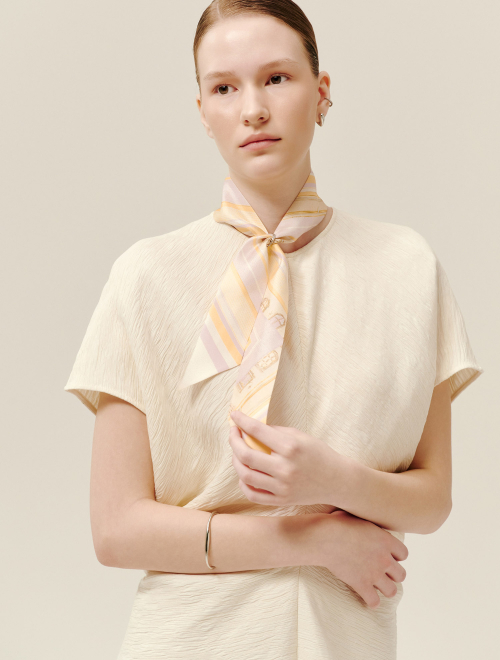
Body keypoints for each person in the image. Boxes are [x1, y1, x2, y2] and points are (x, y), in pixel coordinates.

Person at [63, 1, 484, 658]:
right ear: (202, 111)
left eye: (277, 78)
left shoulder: (407, 267)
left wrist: (335, 480)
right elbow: (116, 530)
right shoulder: (144, 277)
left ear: (322, 93)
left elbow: (433, 500)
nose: (253, 109)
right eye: (224, 88)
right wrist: (313, 540)